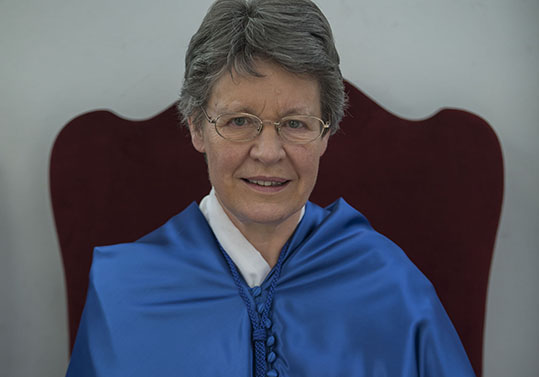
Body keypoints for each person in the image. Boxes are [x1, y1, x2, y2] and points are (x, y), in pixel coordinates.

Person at [66, 0, 476, 376]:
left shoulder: (390, 286)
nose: (267, 152)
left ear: (326, 134)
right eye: (239, 121)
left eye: (295, 124)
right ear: (195, 126)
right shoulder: (124, 291)